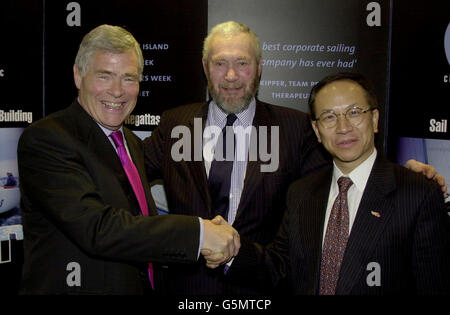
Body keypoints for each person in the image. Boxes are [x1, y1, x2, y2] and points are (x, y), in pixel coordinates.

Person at [143, 21, 446, 295]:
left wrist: (399, 173)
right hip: (187, 290)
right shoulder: (175, 124)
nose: (231, 75)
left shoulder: (294, 127)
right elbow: (128, 173)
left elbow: (346, 162)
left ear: (259, 67)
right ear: (205, 67)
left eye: (242, 63)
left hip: (261, 287)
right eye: (220, 63)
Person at [17, 24, 239, 295]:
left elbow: (137, 226)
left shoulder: (131, 143)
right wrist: (199, 234)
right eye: (105, 76)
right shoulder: (47, 139)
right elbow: (98, 229)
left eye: (129, 78)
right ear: (78, 75)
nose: (118, 90)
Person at [214, 72, 450, 294]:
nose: (343, 127)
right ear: (317, 130)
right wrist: (232, 250)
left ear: (375, 119)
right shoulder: (301, 193)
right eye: (329, 117)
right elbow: (279, 268)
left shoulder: (417, 194)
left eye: (355, 112)